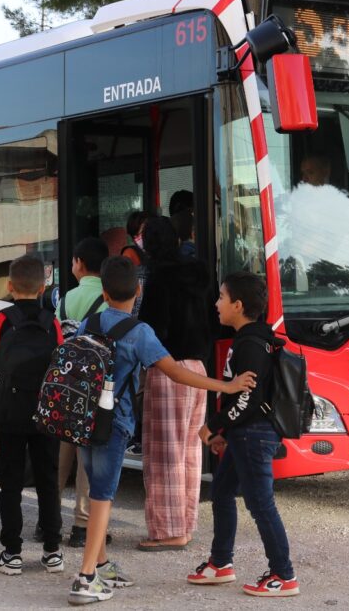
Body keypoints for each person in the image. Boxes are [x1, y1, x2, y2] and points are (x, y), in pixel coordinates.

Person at [67, 256, 256, 605]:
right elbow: (176, 372)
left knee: (96, 489)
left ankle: (102, 564)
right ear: (138, 291)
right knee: (103, 496)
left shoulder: (88, 324)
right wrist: (225, 386)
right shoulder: (139, 332)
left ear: (104, 293)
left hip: (84, 420)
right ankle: (86, 577)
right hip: (114, 423)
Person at [189, 272, 299, 597]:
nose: (216, 303)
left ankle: (283, 574)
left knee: (260, 503)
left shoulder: (250, 345)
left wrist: (214, 425)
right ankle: (220, 563)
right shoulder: (251, 338)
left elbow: (248, 399)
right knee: (222, 492)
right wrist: (227, 431)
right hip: (244, 433)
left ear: (237, 305)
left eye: (221, 297)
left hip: (254, 435)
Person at [136, 217, 215, 551]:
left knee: (164, 452)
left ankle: (168, 530)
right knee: (189, 452)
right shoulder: (198, 274)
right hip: (198, 369)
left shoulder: (159, 278)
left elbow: (152, 330)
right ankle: (185, 523)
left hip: (169, 369)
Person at [0, 256, 64, 576]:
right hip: (45, 412)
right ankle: (52, 550)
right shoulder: (52, 322)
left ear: (9, 286)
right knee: (48, 480)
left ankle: (12, 551)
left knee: (10, 482)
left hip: (9, 411)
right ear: (43, 288)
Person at [54, 238, 108, 548]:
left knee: (61, 451)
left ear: (78, 263)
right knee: (87, 456)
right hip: (93, 388)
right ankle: (82, 524)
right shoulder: (107, 298)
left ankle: (49, 518)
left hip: (65, 386)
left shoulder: (65, 299)